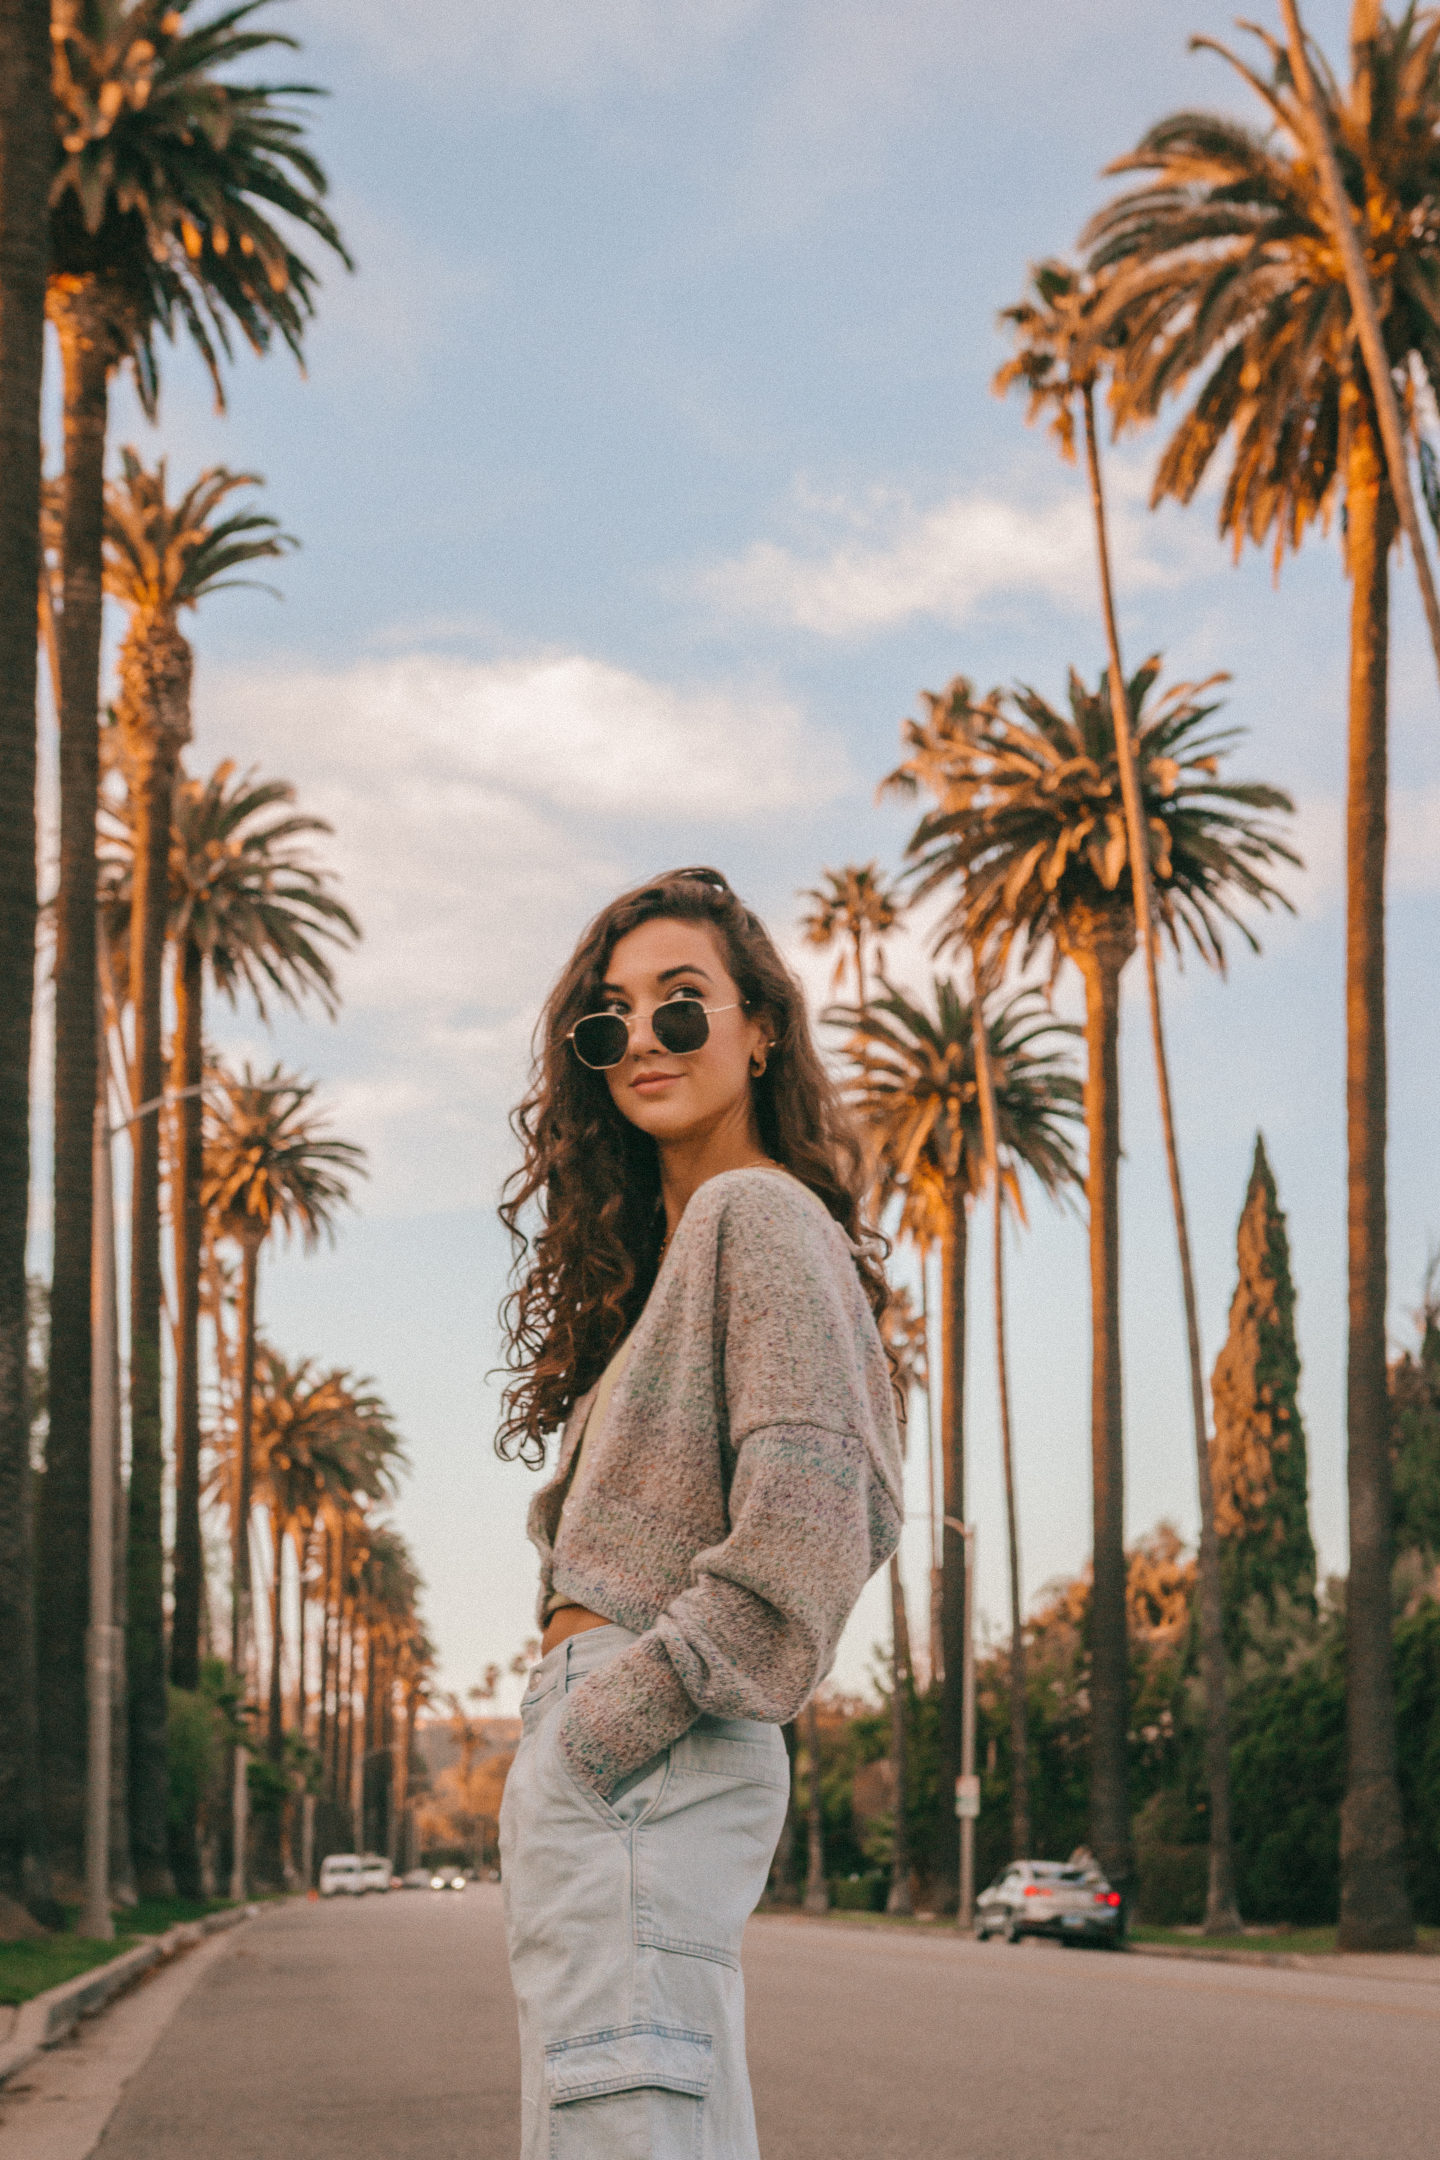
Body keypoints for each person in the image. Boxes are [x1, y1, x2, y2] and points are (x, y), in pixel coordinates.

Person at [496, 865, 903, 2160]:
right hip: (623, 1759)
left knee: (617, 2121)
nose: (646, 1041)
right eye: (610, 1021)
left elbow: (816, 1513)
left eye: (685, 1005)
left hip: (637, 1748)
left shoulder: (756, 1210)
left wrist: (626, 1708)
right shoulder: (680, 1264)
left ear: (759, 1027)